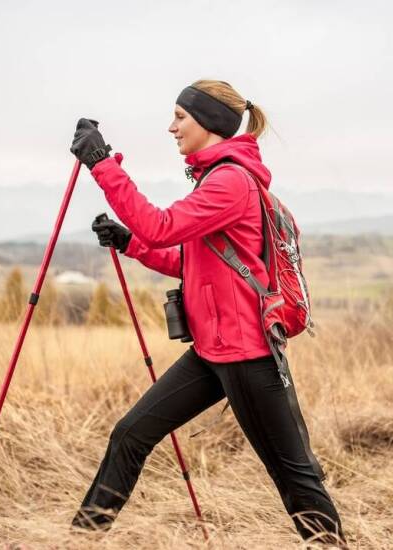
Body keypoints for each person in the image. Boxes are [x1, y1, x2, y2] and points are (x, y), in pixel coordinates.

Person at [69, 79, 344, 545]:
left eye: (180, 117)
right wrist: (129, 243)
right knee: (130, 435)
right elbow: (188, 259)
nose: (171, 128)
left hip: (250, 356)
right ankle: (77, 539)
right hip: (213, 354)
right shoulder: (216, 178)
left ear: (210, 123)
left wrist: (102, 165)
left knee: (295, 479)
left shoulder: (231, 181)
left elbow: (162, 226)